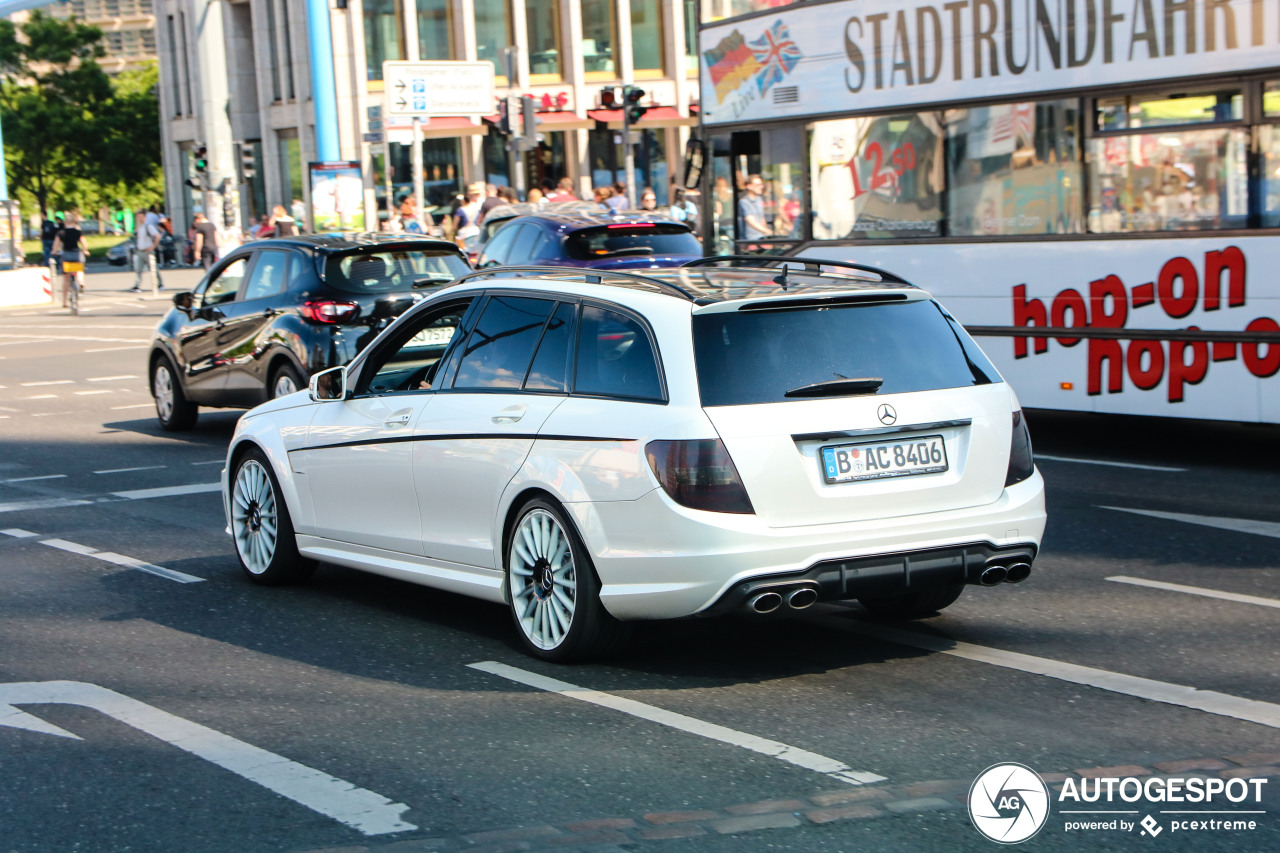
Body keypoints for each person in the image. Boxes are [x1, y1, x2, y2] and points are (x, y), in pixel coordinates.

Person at [51, 212, 87, 309]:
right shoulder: (77, 232)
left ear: (65, 223)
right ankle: (81, 283)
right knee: (79, 269)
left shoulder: (61, 233)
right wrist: (85, 250)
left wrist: (54, 252)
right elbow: (83, 242)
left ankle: (65, 301)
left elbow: (56, 245)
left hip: (66, 255)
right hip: (76, 254)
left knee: (66, 278)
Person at [130, 208, 164, 295]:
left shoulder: (148, 226)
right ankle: (137, 285)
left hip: (147, 251)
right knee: (138, 268)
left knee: (154, 268)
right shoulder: (139, 227)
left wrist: (153, 247)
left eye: (141, 217)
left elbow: (157, 236)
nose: (139, 219)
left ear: (145, 217)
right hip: (140, 251)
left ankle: (160, 284)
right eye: (138, 217)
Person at [738, 173, 770, 241]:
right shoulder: (744, 202)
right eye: (758, 185)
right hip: (751, 239)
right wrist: (767, 231)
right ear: (749, 186)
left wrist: (766, 233)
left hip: (762, 237)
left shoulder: (759, 199)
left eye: (761, 184)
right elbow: (751, 221)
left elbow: (762, 218)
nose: (761, 187)